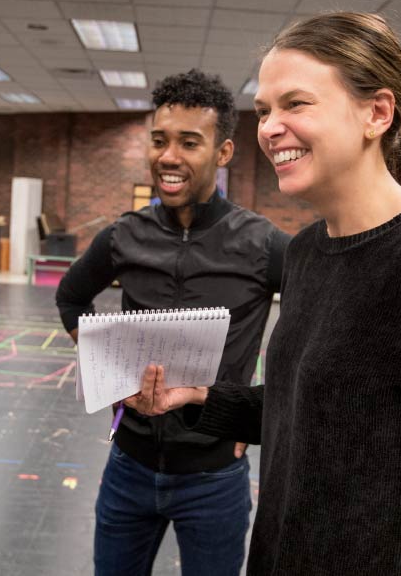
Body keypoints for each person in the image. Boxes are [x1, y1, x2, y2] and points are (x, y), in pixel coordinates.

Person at [128, 12, 401, 575]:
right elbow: (317, 409)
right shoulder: (309, 251)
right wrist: (201, 400)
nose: (268, 127)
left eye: (296, 104)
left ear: (377, 113)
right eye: (265, 110)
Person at [56, 69, 291, 576]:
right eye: (160, 140)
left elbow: (318, 329)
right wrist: (109, 368)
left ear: (223, 152)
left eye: (190, 142)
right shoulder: (124, 235)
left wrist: (254, 416)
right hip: (129, 467)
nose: (169, 157)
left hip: (215, 477)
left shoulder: (263, 244)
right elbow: (71, 297)